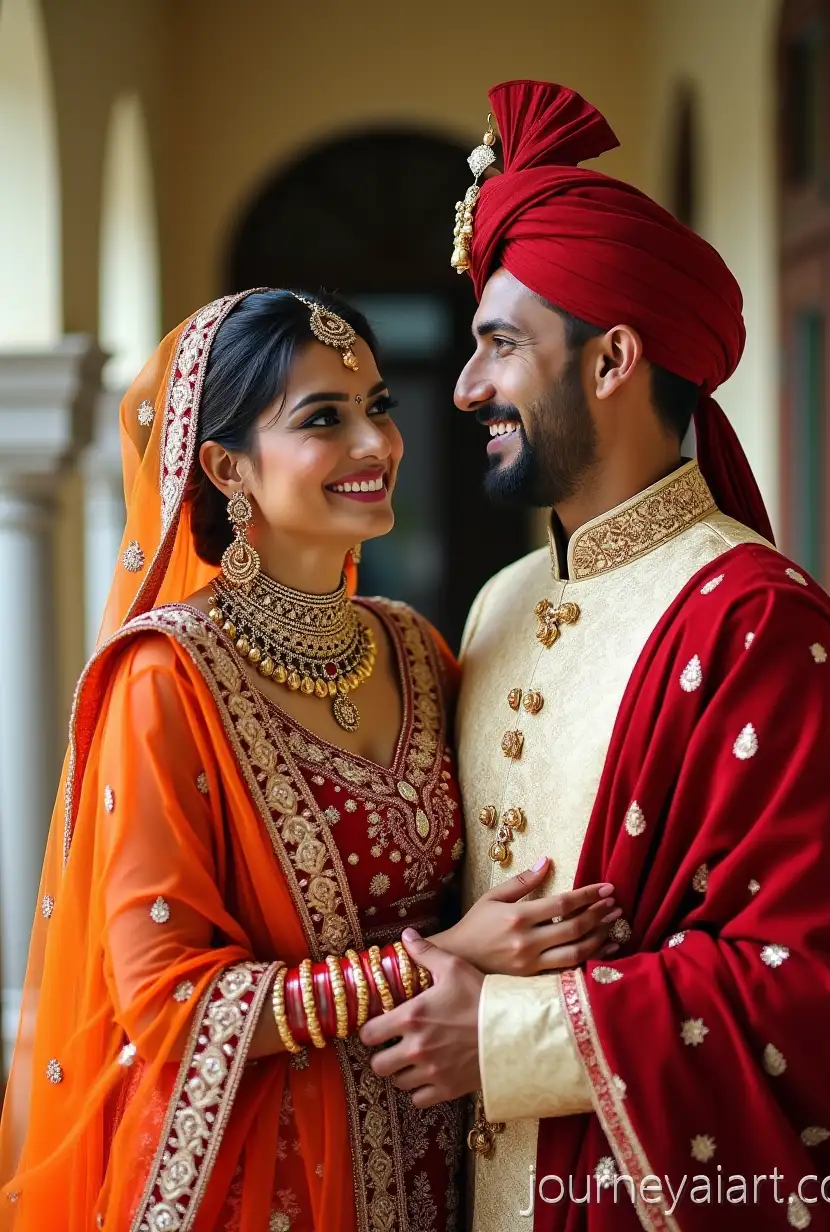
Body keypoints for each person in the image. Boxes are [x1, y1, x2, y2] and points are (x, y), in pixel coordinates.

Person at [359, 82, 830, 1229]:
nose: (467, 387)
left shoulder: (754, 620)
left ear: (613, 357)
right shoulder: (497, 603)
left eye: (500, 345)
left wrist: (507, 1035)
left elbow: (821, 980)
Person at [0, 288, 622, 1231]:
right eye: (323, 419)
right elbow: (171, 1007)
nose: (375, 445)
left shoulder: (415, 650)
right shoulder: (167, 680)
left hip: (439, 1165)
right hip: (253, 1181)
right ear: (226, 466)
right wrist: (445, 961)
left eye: (378, 407)